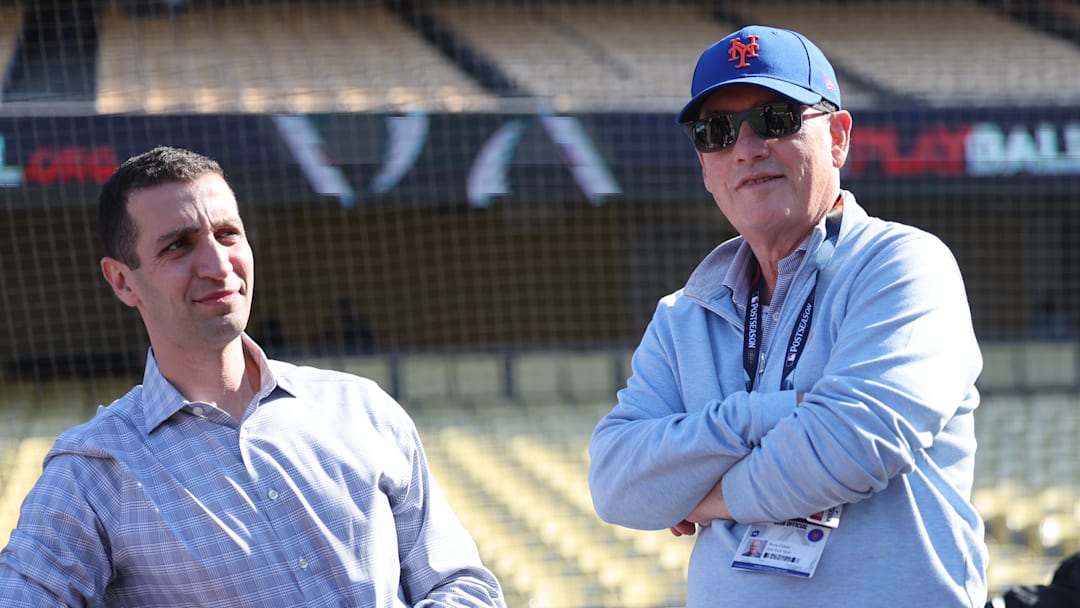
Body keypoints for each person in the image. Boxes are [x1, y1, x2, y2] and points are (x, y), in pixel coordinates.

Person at [0, 146, 506, 607]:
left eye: (227, 234)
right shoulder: (94, 472)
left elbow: (462, 585)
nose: (218, 264)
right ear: (122, 281)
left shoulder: (362, 408)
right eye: (178, 245)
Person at [588, 25, 987, 606]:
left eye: (775, 119)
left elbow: (849, 448)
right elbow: (615, 482)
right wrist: (776, 414)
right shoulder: (682, 315)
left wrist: (697, 495)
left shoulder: (904, 264)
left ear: (839, 137)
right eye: (716, 132)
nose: (746, 148)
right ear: (704, 166)